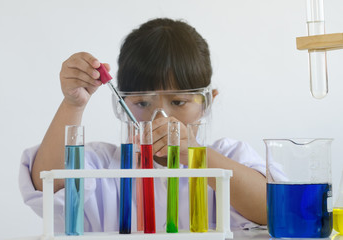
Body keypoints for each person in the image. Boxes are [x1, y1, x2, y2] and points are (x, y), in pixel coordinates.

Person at [19, 18, 268, 233]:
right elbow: (47, 191)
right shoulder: (103, 166)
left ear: (207, 102)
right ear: (122, 104)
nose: (160, 119)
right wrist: (73, 105)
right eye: (142, 103)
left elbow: (273, 208)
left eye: (178, 101)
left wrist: (195, 154)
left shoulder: (230, 157)